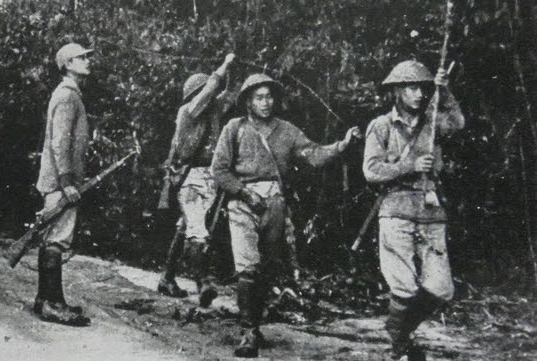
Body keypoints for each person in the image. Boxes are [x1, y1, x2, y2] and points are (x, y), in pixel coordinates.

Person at [211, 73, 360, 358]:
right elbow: (219, 170)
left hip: (275, 204)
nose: (265, 102)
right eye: (259, 97)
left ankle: (256, 321)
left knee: (267, 269)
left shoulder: (287, 130)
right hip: (242, 204)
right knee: (247, 267)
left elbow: (314, 155)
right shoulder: (234, 128)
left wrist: (343, 145)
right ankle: (248, 331)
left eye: (269, 97)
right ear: (248, 102)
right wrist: (243, 192)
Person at [363, 60, 464, 361]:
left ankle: (398, 330)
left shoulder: (432, 124)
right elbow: (371, 170)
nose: (419, 94)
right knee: (404, 288)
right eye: (411, 88)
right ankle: (400, 349)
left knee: (441, 289)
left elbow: (457, 123)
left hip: (431, 212)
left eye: (423, 88)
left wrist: (445, 91)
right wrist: (410, 165)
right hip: (396, 211)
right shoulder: (381, 126)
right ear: (397, 91)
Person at [157, 54, 237, 306]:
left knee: (186, 226)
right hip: (189, 177)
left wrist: (233, 70)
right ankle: (203, 283)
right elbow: (212, 89)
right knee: (196, 231)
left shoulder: (212, 111)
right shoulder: (188, 112)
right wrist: (224, 65)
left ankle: (167, 278)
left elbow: (229, 94)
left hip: (209, 176)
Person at [32, 42, 94, 327]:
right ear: (68, 64)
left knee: (53, 237)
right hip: (60, 181)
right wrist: (67, 180)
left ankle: (46, 299)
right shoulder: (68, 95)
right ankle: (52, 304)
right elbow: (59, 142)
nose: (87, 61)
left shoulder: (70, 94)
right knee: (57, 238)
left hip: (59, 179)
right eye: (82, 57)